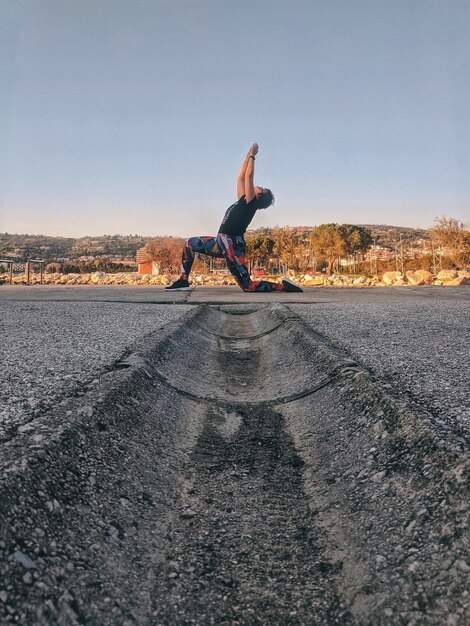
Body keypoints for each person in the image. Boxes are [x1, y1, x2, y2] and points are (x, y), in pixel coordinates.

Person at [165, 143, 303, 292]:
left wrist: (252, 156)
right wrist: (247, 156)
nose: (258, 186)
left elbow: (249, 176)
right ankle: (183, 280)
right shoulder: (243, 200)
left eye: (261, 187)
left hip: (232, 244)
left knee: (248, 286)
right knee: (188, 244)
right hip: (220, 242)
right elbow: (241, 178)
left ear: (259, 195)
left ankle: (285, 287)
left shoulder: (251, 203)